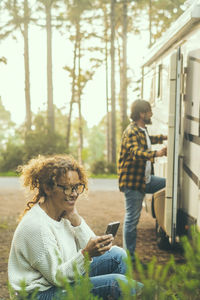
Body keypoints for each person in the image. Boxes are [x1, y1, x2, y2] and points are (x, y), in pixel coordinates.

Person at [8, 154, 143, 300]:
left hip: (58, 282)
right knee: (117, 283)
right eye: (66, 188)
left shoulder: (64, 213)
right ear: (48, 188)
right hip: (38, 294)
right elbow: (58, 277)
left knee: (118, 256)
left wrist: (76, 220)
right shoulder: (37, 227)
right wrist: (86, 254)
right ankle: (154, 294)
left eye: (76, 187)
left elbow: (95, 250)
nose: (73, 194)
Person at [118, 99, 167, 263]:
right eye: (148, 111)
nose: (151, 114)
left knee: (170, 185)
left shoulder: (141, 130)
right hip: (133, 183)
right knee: (132, 219)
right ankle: (128, 258)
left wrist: (167, 136)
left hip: (145, 179)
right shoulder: (132, 131)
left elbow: (148, 139)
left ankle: (164, 222)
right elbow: (135, 152)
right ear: (141, 114)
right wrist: (157, 154)